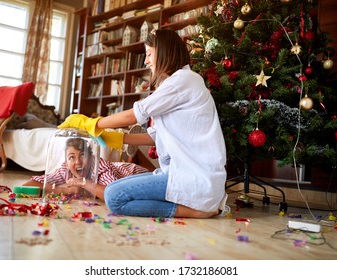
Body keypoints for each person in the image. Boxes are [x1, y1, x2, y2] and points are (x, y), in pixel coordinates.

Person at [59, 29, 229, 218]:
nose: (146, 60)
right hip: (183, 175)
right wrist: (117, 137)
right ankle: (193, 206)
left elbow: (133, 116)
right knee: (112, 190)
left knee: (113, 197)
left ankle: (195, 211)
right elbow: (154, 136)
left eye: (149, 54)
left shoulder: (184, 80)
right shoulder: (178, 83)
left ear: (164, 51)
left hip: (194, 178)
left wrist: (90, 123)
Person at [23, 137, 148, 201]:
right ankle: (132, 155)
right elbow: (28, 185)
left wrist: (83, 183)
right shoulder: (65, 170)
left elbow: (113, 194)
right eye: (71, 157)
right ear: (66, 162)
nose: (77, 162)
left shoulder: (101, 168)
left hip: (136, 173)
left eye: (83, 155)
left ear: (92, 157)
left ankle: (133, 155)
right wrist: (65, 190)